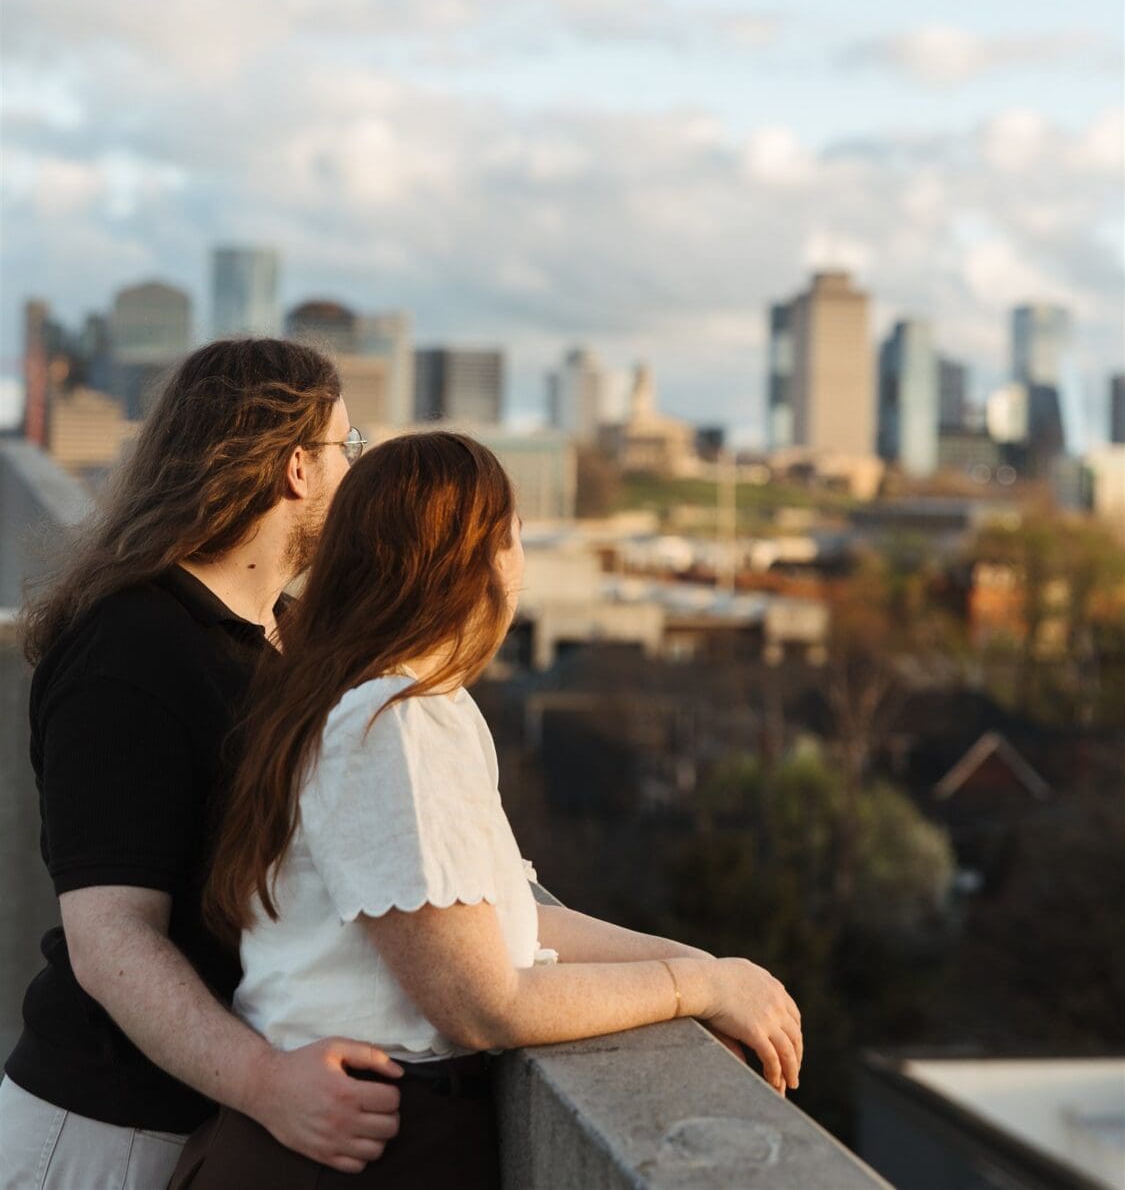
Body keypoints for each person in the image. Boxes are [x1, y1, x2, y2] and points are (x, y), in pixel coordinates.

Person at [171, 431, 803, 1189]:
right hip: (359, 1152)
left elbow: (506, 921)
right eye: (514, 538)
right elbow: (481, 1001)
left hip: (364, 1145)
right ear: (477, 562)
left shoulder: (394, 706)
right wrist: (694, 988)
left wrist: (705, 970)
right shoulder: (390, 727)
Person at [0, 339, 402, 1190]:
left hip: (209, 1129)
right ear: (297, 467)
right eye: (347, 449)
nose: (353, 471)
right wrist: (265, 1082)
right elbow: (108, 936)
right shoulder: (131, 645)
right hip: (104, 1135)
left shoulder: (284, 638)